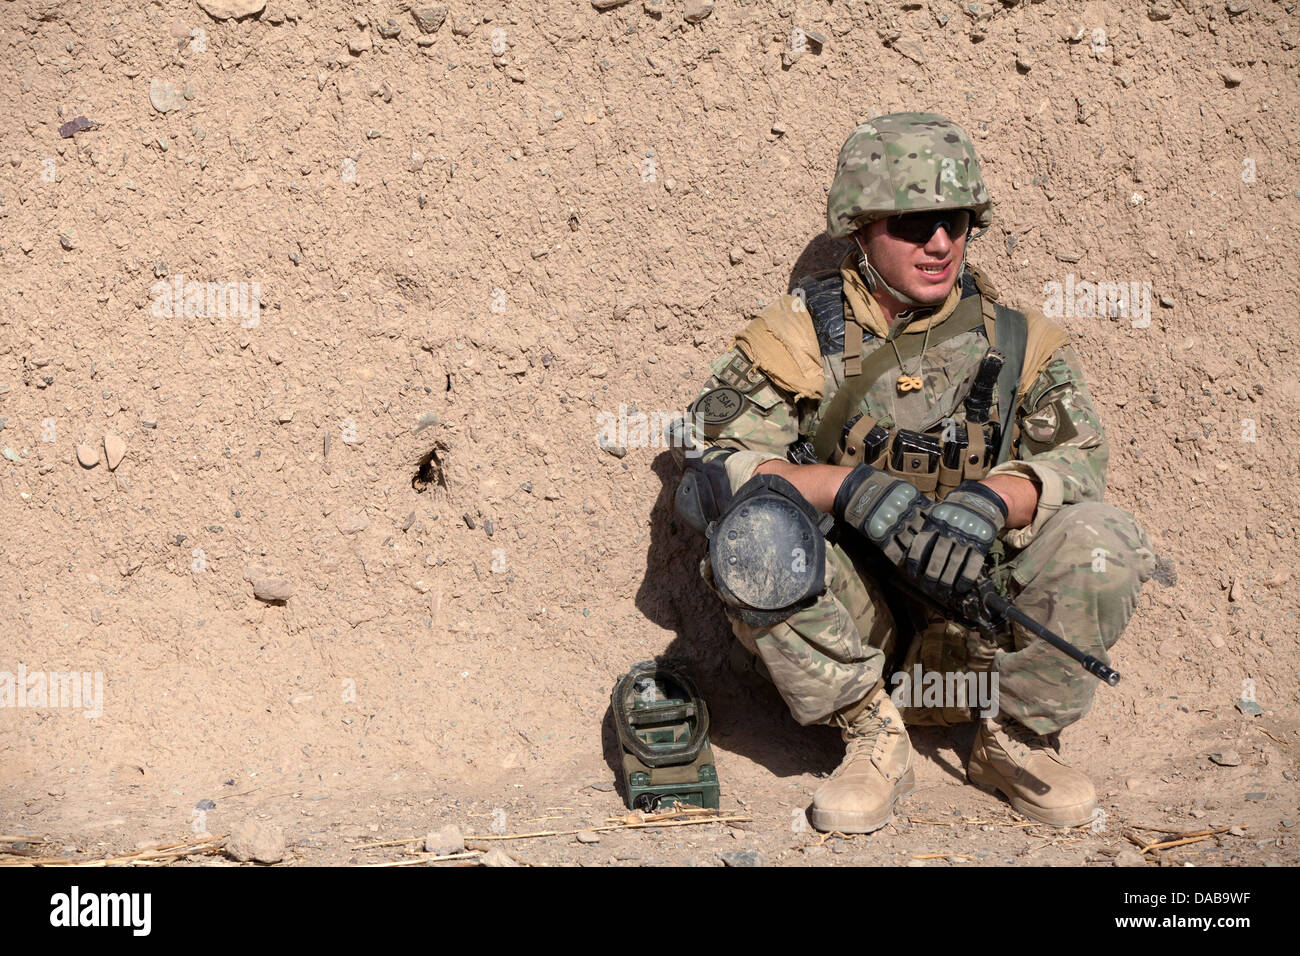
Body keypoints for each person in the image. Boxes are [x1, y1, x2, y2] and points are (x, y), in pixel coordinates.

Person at [676, 113, 1155, 833]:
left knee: (1107, 541)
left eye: (955, 221)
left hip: (979, 613)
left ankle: (1014, 739)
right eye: (914, 223)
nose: (940, 243)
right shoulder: (801, 333)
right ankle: (874, 737)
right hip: (855, 615)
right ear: (862, 228)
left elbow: (1079, 462)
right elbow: (710, 468)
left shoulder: (1021, 344)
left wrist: (994, 500)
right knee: (751, 537)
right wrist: (847, 489)